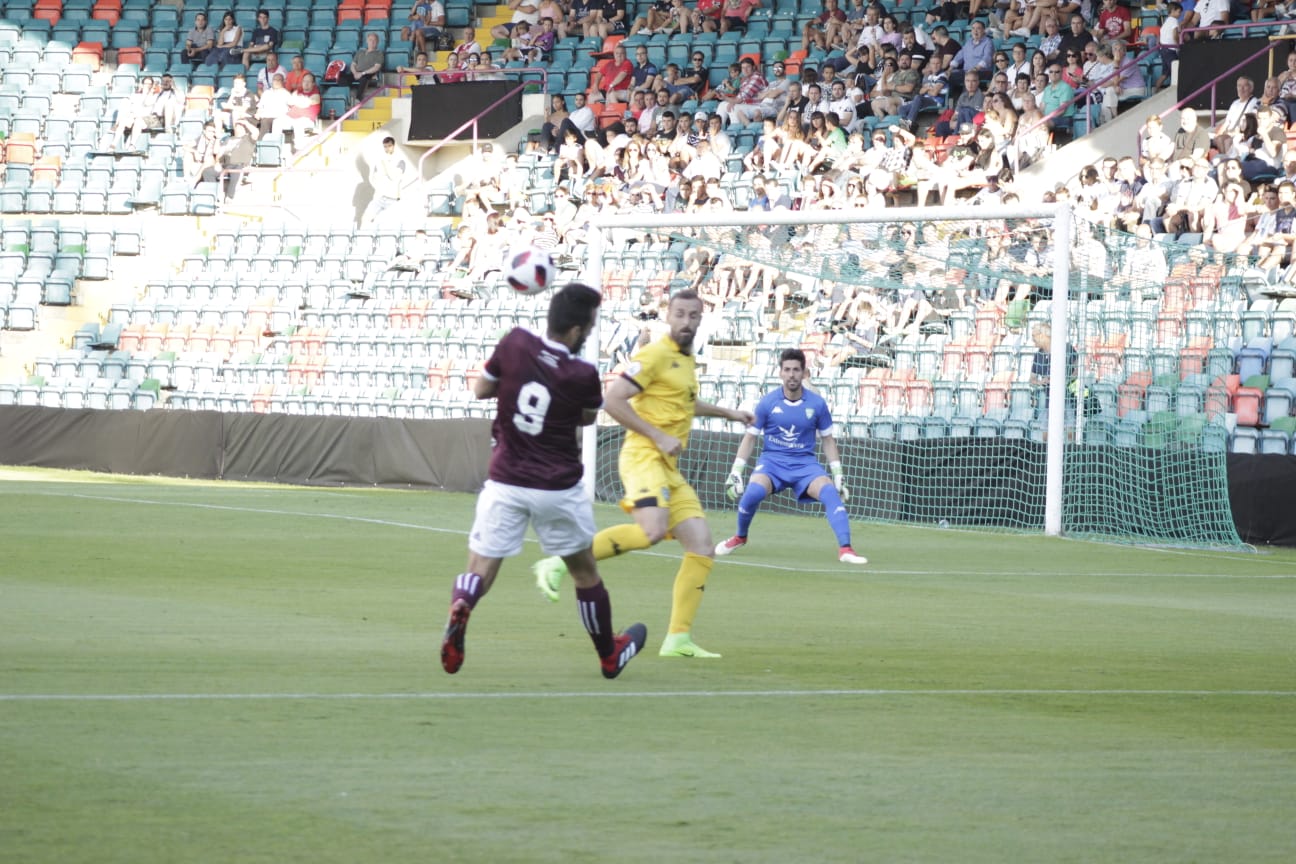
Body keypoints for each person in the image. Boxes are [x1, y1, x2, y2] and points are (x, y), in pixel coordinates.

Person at [439, 282, 648, 678]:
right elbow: (587, 418)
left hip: (506, 480)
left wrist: (515, 383)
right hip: (556, 488)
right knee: (584, 572)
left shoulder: (515, 344)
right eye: (588, 327)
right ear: (575, 331)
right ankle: (609, 653)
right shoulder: (583, 373)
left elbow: (481, 389)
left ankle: (463, 599)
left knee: (481, 564)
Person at [532, 290, 754, 660]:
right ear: (668, 316)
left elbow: (685, 402)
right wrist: (657, 434)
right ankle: (559, 560)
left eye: (693, 315)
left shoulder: (686, 362)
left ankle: (677, 639)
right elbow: (613, 400)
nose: (686, 322)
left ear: (701, 320)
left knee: (701, 545)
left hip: (668, 468)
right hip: (643, 458)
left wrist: (730, 414)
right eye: (680, 314)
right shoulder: (653, 355)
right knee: (651, 531)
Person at [714, 349, 867, 564]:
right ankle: (740, 537)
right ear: (780, 373)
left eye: (796, 370)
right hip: (772, 464)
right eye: (787, 370)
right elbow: (750, 438)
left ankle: (846, 549)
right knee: (752, 493)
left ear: (804, 373)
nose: (792, 374)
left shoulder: (817, 404)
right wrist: (736, 471)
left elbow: (828, 439)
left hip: (805, 465)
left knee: (830, 492)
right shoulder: (768, 403)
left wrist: (838, 473)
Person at [363, 136, 410, 224]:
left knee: (389, 222)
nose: (387, 148)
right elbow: (375, 177)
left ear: (393, 146)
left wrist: (385, 164)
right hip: (379, 196)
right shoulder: (380, 160)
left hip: (393, 198)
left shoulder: (400, 161)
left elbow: (393, 176)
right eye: (385, 146)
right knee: (368, 217)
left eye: (389, 146)